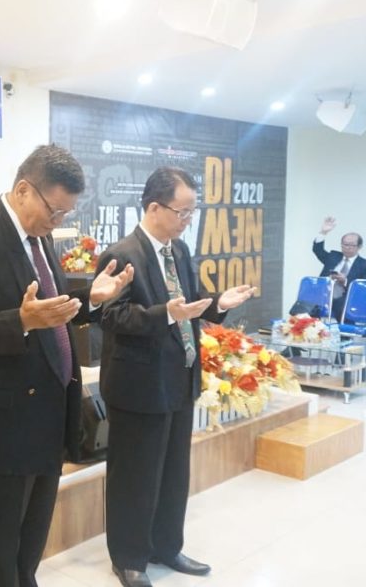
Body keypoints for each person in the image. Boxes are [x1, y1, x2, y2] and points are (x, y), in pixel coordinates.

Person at [0, 145, 134, 587]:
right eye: (54, 210)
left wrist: (90, 298)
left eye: (66, 213)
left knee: (28, 550)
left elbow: (49, 311)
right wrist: (20, 321)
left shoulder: (39, 237)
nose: (58, 221)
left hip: (43, 421)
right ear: (24, 189)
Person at [97, 166, 255, 587]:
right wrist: (164, 314)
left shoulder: (179, 251)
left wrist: (219, 303)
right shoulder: (121, 254)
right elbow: (110, 317)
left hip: (179, 378)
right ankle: (129, 558)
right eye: (182, 212)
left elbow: (191, 306)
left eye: (191, 212)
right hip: (138, 385)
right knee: (135, 476)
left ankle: (166, 546)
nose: (188, 220)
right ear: (154, 207)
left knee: (172, 473)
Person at [312, 217, 366, 321]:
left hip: (346, 299)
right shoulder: (333, 256)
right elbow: (317, 250)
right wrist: (323, 232)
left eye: (352, 245)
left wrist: (345, 281)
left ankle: (342, 330)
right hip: (323, 295)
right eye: (345, 244)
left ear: (359, 247)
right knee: (304, 304)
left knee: (341, 305)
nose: (347, 247)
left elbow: (363, 288)